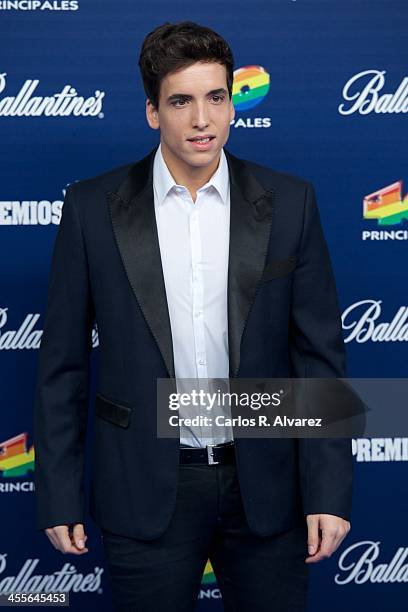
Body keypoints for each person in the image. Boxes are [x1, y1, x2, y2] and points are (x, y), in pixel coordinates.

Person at [33, 20, 353, 612]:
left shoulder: (290, 203)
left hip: (268, 487)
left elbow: (318, 358)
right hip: (146, 488)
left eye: (216, 97)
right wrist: (57, 493)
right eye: (181, 100)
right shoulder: (90, 209)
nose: (202, 119)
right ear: (153, 112)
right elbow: (63, 366)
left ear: (233, 104)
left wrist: (329, 490)